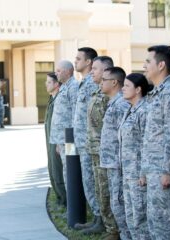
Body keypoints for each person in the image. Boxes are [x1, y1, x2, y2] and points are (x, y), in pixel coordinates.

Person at [142, 45, 170, 239]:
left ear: (161, 65)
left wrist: (168, 169)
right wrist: (145, 169)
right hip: (154, 169)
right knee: (156, 222)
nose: (144, 66)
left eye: (148, 62)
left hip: (165, 171)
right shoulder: (157, 93)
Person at [84, 56, 119, 239]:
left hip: (106, 153)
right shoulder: (96, 92)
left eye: (96, 68)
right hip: (94, 150)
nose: (92, 71)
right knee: (99, 191)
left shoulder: (110, 96)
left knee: (107, 192)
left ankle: (113, 229)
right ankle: (106, 225)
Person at [99, 67, 131, 240]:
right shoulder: (113, 102)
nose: (101, 82)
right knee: (116, 205)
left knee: (121, 206)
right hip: (110, 163)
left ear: (114, 82)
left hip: (118, 164)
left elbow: (126, 137)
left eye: (104, 79)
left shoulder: (121, 104)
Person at [72, 47, 101, 231]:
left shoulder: (92, 83)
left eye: (78, 58)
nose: (75, 61)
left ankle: (100, 221)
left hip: (90, 143)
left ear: (88, 62)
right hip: (82, 142)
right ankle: (97, 219)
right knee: (89, 182)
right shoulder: (83, 82)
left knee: (93, 182)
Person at [119, 73, 151, 240]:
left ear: (138, 89)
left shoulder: (144, 110)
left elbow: (148, 142)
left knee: (140, 219)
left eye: (126, 86)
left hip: (139, 175)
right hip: (128, 173)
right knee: (131, 218)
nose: (122, 89)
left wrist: (144, 172)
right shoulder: (130, 109)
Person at [49, 60, 79, 192]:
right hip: (62, 139)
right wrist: (58, 142)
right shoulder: (64, 87)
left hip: (70, 140)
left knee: (70, 171)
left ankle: (73, 208)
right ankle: (70, 205)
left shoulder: (73, 87)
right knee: (66, 170)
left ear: (68, 71)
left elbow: (75, 114)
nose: (56, 73)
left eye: (59, 71)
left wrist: (71, 140)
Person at [44, 72, 66, 207]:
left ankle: (65, 201)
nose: (46, 84)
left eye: (49, 82)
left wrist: (59, 142)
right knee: (52, 169)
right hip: (50, 140)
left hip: (56, 141)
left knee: (58, 170)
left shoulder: (59, 99)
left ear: (56, 84)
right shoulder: (52, 99)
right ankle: (59, 198)